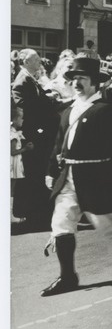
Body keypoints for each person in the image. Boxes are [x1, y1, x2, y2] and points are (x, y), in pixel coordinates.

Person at [42, 57, 112, 296]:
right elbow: (59, 145)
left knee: (106, 227)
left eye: (82, 78)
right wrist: (52, 171)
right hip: (68, 177)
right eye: (73, 79)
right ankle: (68, 277)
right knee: (61, 224)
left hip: (93, 179)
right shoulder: (68, 110)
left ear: (95, 82)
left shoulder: (104, 110)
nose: (76, 83)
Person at [11, 49, 62, 224]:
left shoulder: (29, 78)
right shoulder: (22, 79)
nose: (39, 62)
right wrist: (48, 104)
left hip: (39, 131)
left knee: (38, 171)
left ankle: (38, 210)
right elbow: (24, 104)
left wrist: (48, 98)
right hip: (34, 133)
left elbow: (36, 99)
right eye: (35, 59)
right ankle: (32, 213)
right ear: (25, 62)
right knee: (34, 171)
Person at [11, 107, 34, 224]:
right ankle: (9, 215)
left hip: (14, 163)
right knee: (11, 190)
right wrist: (26, 148)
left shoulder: (14, 132)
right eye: (21, 117)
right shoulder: (12, 134)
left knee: (12, 189)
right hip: (12, 164)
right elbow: (12, 152)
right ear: (14, 119)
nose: (23, 120)